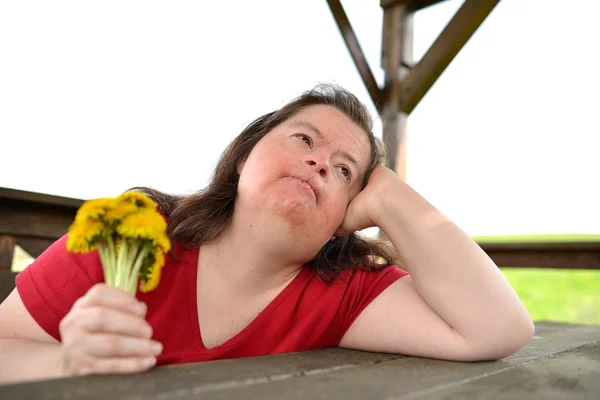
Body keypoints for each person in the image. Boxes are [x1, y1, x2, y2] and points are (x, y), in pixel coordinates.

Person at [0, 84, 534, 383]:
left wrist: (391, 195)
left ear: (345, 221)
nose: (319, 162)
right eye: (304, 137)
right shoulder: (132, 233)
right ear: (243, 158)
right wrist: (65, 363)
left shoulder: (341, 295)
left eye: (345, 170)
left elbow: (499, 329)